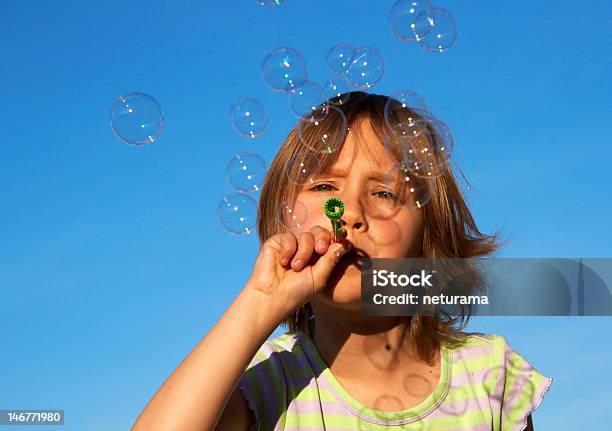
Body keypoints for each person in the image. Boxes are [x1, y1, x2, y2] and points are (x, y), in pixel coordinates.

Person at [131, 92, 552, 431]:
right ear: (283, 219)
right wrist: (258, 302)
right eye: (325, 185)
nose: (348, 212)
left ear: (428, 241)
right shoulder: (265, 384)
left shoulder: (488, 376)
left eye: (385, 193)